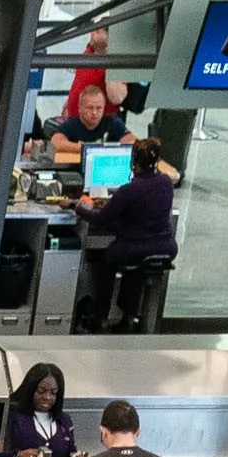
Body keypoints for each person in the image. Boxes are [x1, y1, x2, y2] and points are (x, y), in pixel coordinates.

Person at [74, 139, 180, 330]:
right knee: (135, 271)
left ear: (133, 163)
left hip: (134, 248)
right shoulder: (165, 182)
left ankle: (100, 314)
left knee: (105, 259)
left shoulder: (129, 190)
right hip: (166, 247)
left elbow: (100, 220)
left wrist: (79, 207)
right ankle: (128, 317)